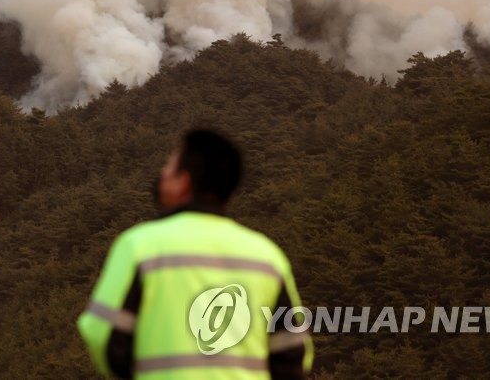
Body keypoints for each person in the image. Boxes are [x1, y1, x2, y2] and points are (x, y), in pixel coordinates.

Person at [77, 129, 313, 378]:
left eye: (169, 167)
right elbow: (291, 353)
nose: (162, 174)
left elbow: (100, 332)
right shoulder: (267, 256)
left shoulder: (140, 245)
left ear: (184, 181)